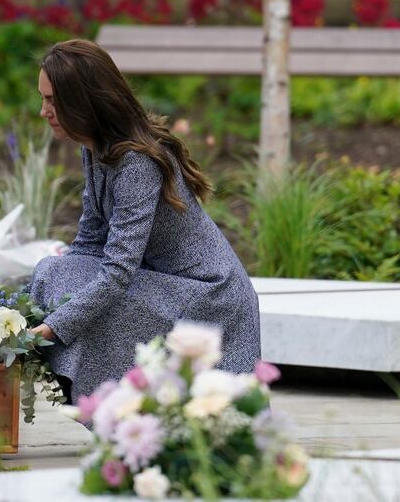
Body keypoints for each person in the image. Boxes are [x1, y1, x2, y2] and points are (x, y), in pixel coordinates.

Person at [27, 39, 260, 404]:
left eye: (53, 100)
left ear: (84, 101)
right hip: (162, 282)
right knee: (54, 272)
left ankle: (104, 405)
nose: (44, 111)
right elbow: (90, 240)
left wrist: (56, 327)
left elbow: (118, 270)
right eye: (43, 99)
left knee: (76, 293)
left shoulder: (135, 163)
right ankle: (95, 401)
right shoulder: (95, 148)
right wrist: (44, 297)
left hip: (206, 296)